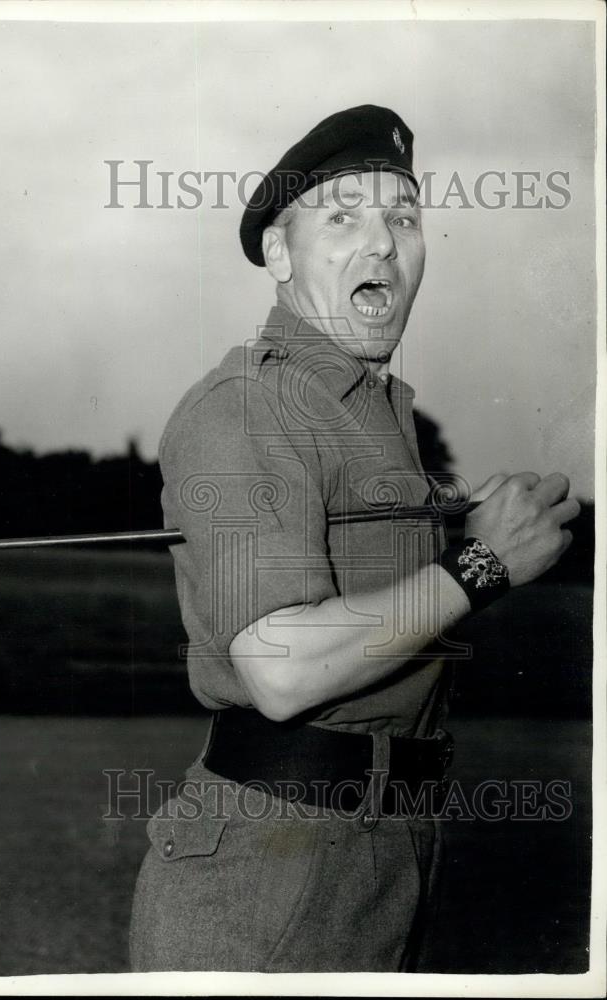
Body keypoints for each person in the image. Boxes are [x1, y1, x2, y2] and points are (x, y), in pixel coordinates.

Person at [129, 105, 579, 972]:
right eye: (341, 216)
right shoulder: (250, 407)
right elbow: (283, 665)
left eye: (402, 218)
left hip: (388, 844)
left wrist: (461, 532)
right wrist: (482, 563)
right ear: (278, 253)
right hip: (273, 866)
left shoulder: (373, 417)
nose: (381, 243)